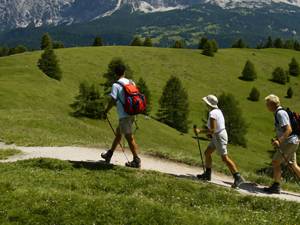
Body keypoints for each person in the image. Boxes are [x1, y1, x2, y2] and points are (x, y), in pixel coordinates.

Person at [194, 95, 244, 188]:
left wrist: (200, 131)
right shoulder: (218, 111)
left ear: (208, 103)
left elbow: (213, 129)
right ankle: (207, 174)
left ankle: (238, 177)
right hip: (218, 135)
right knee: (207, 153)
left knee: (225, 158)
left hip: (219, 137)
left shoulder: (212, 113)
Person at [101, 64, 141, 168]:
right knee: (119, 134)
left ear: (115, 73)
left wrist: (106, 111)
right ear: (124, 72)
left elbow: (113, 99)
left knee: (129, 137)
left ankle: (136, 160)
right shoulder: (131, 82)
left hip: (124, 115)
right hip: (132, 113)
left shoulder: (116, 85)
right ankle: (109, 154)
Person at [264, 94, 300, 194]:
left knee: (276, 162)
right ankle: (276, 185)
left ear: (272, 104)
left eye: (267, 104)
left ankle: (276, 186)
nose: (266, 106)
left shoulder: (280, 113)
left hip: (290, 141)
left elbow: (289, 129)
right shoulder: (279, 112)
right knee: (293, 165)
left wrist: (279, 141)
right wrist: (277, 138)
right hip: (293, 141)